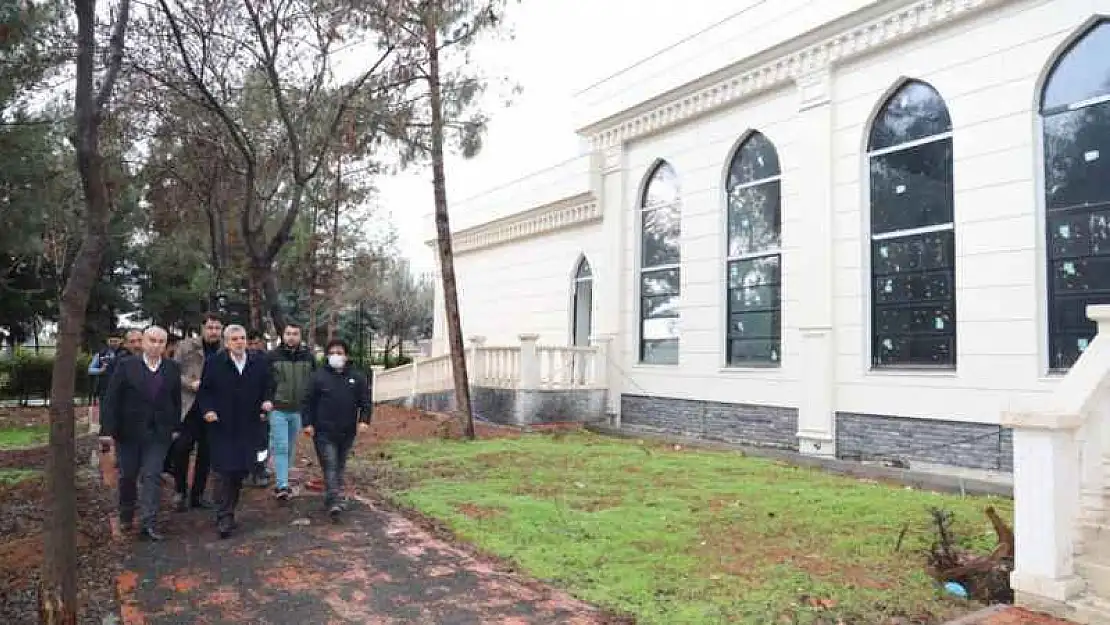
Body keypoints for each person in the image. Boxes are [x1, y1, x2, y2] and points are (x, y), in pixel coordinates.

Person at [98, 326, 182, 541]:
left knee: (152, 475)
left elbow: (175, 400)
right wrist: (106, 430)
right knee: (128, 475)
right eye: (152, 340)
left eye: (161, 342)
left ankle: (149, 523)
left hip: (158, 433)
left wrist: (174, 426)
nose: (156, 346)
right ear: (143, 342)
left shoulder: (172, 368)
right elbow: (111, 400)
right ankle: (126, 514)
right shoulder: (126, 366)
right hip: (129, 433)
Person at [197, 324, 273, 538]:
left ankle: (229, 508)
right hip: (222, 424)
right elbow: (205, 391)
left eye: (243, 338)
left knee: (239, 470)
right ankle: (224, 516)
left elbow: (269, 384)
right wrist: (208, 410)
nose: (240, 342)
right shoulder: (215, 363)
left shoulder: (258, 361)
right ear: (227, 342)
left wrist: (267, 400)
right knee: (223, 470)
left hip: (249, 424)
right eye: (235, 339)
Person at [302, 339, 371, 521]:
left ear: (346, 356)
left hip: (347, 431)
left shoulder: (357, 378)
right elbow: (307, 402)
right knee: (330, 464)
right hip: (323, 431)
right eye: (332, 352)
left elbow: (365, 402)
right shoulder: (318, 377)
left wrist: (364, 420)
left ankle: (331, 496)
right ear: (326, 356)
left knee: (339, 465)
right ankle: (334, 501)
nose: (336, 356)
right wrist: (307, 423)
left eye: (339, 352)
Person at [170, 312, 223, 512]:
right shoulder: (186, 347)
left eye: (217, 328)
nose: (213, 332)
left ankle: (198, 494)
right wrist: (190, 383)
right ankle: (180, 491)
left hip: (213, 408)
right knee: (182, 448)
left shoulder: (224, 350)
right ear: (202, 328)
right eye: (210, 328)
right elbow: (174, 372)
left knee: (206, 454)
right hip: (189, 406)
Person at [266, 323, 315, 501]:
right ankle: (282, 485)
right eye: (288, 333)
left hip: (298, 410)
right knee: (281, 446)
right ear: (283, 335)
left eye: (295, 333)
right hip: (278, 408)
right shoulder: (272, 356)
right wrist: (266, 401)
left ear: (300, 336)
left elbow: (313, 384)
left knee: (290, 446)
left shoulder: (308, 357)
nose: (291, 337)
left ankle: (282, 476)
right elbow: (266, 381)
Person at [88, 336, 123, 403]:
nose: (113, 343)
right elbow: (90, 370)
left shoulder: (126, 354)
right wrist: (100, 370)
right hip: (105, 390)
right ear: (107, 341)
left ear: (120, 341)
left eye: (115, 341)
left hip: (121, 390)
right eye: (111, 341)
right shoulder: (100, 354)